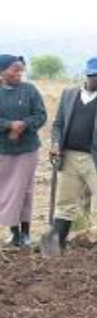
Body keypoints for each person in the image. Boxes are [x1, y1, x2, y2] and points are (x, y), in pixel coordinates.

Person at [50, 56, 97, 256]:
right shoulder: (69, 95)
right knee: (65, 203)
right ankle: (57, 245)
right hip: (69, 158)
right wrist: (56, 144)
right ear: (91, 76)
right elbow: (58, 125)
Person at [0, 55, 47, 248]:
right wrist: (10, 125)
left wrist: (24, 125)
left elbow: (41, 115)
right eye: (15, 70)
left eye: (21, 70)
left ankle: (26, 234)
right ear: (2, 72)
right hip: (3, 150)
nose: (20, 74)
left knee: (24, 190)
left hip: (27, 150)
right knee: (7, 190)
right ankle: (14, 233)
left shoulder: (30, 90)